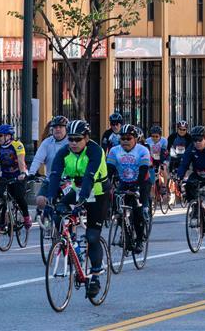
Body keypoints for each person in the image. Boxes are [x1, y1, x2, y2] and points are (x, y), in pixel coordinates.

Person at [46, 120, 109, 299]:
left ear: (86, 138)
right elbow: (55, 175)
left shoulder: (95, 151)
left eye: (77, 139)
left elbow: (89, 177)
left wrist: (81, 201)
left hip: (98, 193)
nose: (73, 143)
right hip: (78, 191)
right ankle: (71, 245)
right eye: (71, 139)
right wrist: (51, 198)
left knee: (92, 236)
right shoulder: (63, 152)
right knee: (58, 212)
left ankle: (96, 274)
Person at [106, 124, 152, 253]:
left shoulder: (142, 150)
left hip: (142, 182)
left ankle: (139, 240)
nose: (125, 141)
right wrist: (106, 185)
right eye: (123, 138)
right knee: (118, 208)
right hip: (124, 182)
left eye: (129, 138)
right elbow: (109, 170)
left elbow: (143, 171)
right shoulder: (115, 151)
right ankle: (125, 232)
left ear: (135, 139)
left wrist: (137, 187)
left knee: (138, 211)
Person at [0, 124, 31, 231]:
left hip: (18, 174)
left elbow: (21, 160)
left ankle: (26, 217)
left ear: (8, 136)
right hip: (5, 175)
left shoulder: (17, 145)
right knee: (2, 199)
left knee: (19, 197)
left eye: (0, 136)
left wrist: (22, 173)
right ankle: (1, 224)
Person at [176, 125, 205, 232]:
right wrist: (179, 177)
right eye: (194, 140)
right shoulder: (191, 148)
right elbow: (184, 164)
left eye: (199, 139)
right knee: (188, 184)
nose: (197, 142)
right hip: (198, 173)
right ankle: (196, 207)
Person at [27, 115, 70, 213]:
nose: (57, 129)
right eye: (55, 127)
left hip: (68, 180)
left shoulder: (71, 141)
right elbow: (38, 159)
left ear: (66, 128)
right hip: (50, 179)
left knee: (70, 203)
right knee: (40, 200)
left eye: (60, 127)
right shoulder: (47, 142)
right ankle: (47, 219)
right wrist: (31, 173)